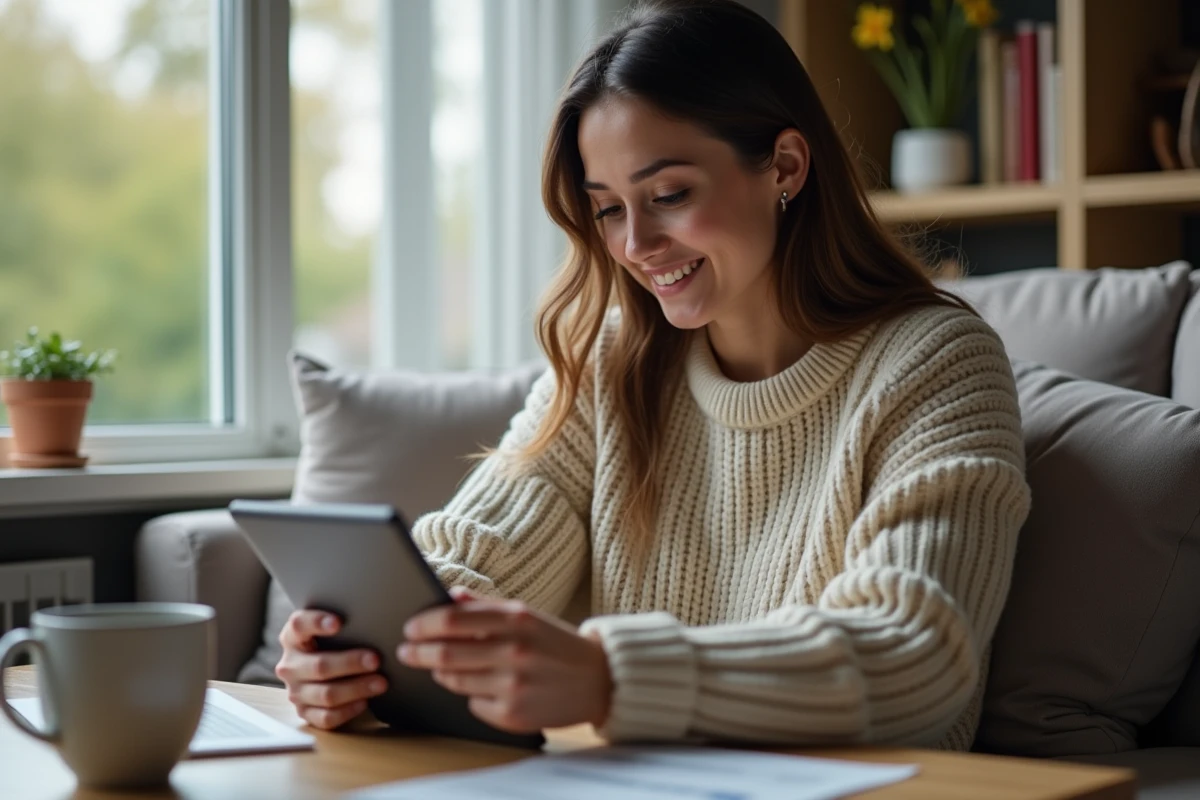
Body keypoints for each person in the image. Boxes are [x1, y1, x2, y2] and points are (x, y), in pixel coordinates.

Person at [274, 0, 1031, 750]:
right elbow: (480, 556)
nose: (636, 244)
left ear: (785, 166)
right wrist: (366, 651)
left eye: (669, 195)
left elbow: (913, 653)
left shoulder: (938, 362)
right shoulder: (612, 362)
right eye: (608, 209)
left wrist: (610, 677)